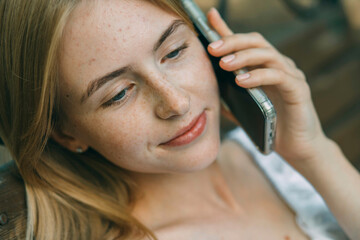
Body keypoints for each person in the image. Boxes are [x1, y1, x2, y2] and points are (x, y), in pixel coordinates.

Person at [0, 0, 359, 239]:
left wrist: (314, 153)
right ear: (65, 133)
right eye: (118, 94)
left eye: (174, 51)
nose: (176, 102)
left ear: (205, 37)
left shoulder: (275, 158)